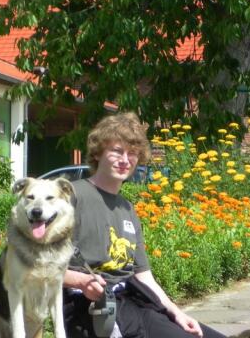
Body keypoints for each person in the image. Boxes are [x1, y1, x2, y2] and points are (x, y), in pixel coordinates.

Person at [63, 112, 226, 338]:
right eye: (117, 151)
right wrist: (80, 281)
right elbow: (31, 263)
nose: (125, 160)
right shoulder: (72, 195)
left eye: (132, 154)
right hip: (91, 307)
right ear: (98, 152)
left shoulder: (127, 208)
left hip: (132, 301)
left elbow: (143, 276)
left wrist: (177, 313)